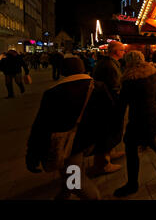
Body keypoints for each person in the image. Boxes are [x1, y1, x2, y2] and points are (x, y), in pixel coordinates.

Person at [25, 57, 115, 200]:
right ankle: (64, 194)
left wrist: (32, 155)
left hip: (69, 144)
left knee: (76, 180)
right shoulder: (98, 87)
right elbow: (109, 116)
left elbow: (41, 126)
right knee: (72, 172)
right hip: (88, 140)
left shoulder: (53, 93)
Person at [114, 51, 156, 197]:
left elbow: (122, 105)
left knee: (131, 148)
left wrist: (117, 124)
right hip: (153, 115)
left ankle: (132, 184)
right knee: (153, 141)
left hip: (137, 118)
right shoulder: (151, 74)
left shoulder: (129, 79)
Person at [90, 41, 126, 174]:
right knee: (107, 131)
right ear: (116, 52)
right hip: (108, 104)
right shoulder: (110, 66)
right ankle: (103, 164)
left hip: (104, 102)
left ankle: (109, 153)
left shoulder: (106, 62)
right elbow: (115, 86)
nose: (124, 52)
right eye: (122, 50)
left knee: (109, 131)